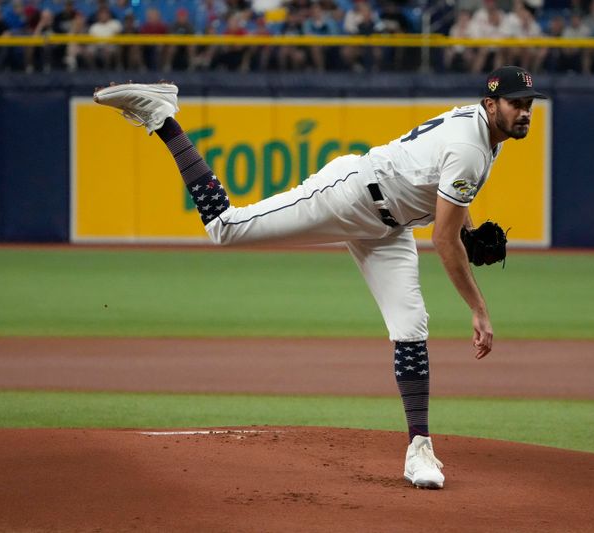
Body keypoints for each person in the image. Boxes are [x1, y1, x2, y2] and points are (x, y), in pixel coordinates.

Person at [93, 65, 546, 490]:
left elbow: (442, 194)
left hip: (390, 227)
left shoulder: (485, 133)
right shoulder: (473, 147)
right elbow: (444, 242)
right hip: (350, 196)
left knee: (410, 326)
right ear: (490, 106)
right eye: (515, 103)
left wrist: (467, 229)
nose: (524, 111)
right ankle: (164, 116)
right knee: (224, 228)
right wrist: (479, 309)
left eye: (528, 103)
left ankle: (420, 450)